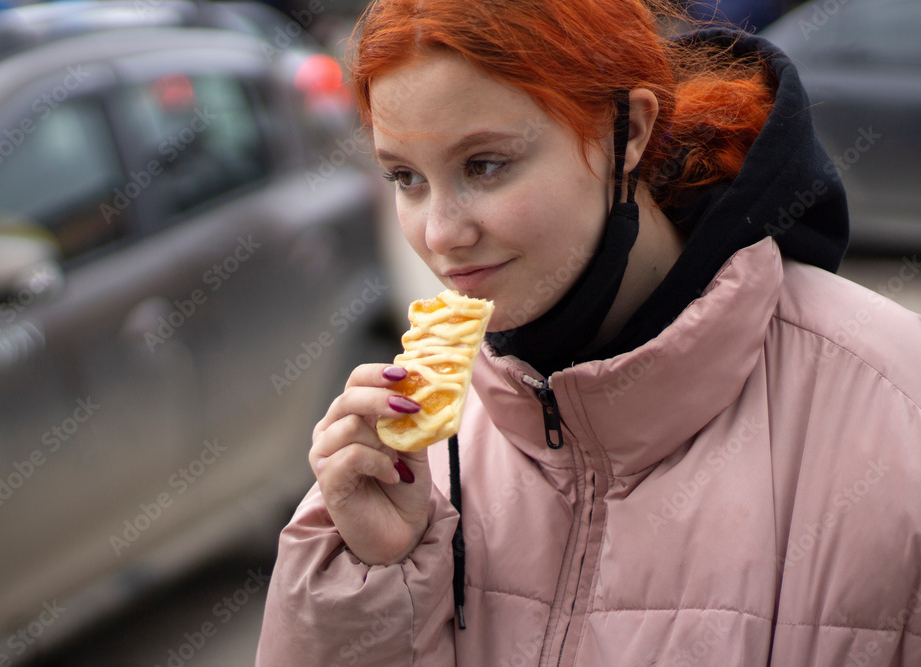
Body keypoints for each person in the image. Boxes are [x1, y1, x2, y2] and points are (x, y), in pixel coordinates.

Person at [256, 0, 921, 664]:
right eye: (405, 177)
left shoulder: (896, 410)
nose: (440, 235)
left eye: (484, 164)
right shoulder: (422, 449)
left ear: (627, 131)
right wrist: (374, 576)